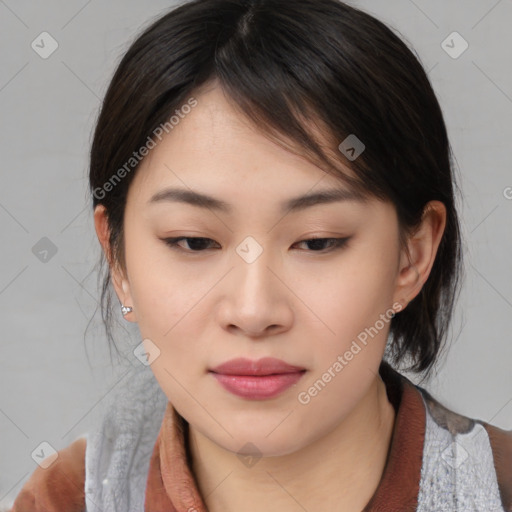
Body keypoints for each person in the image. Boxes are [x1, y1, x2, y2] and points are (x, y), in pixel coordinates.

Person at [9, 0, 512, 511]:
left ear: (413, 255)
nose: (253, 312)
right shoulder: (65, 500)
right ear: (118, 259)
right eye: (194, 242)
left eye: (317, 242)